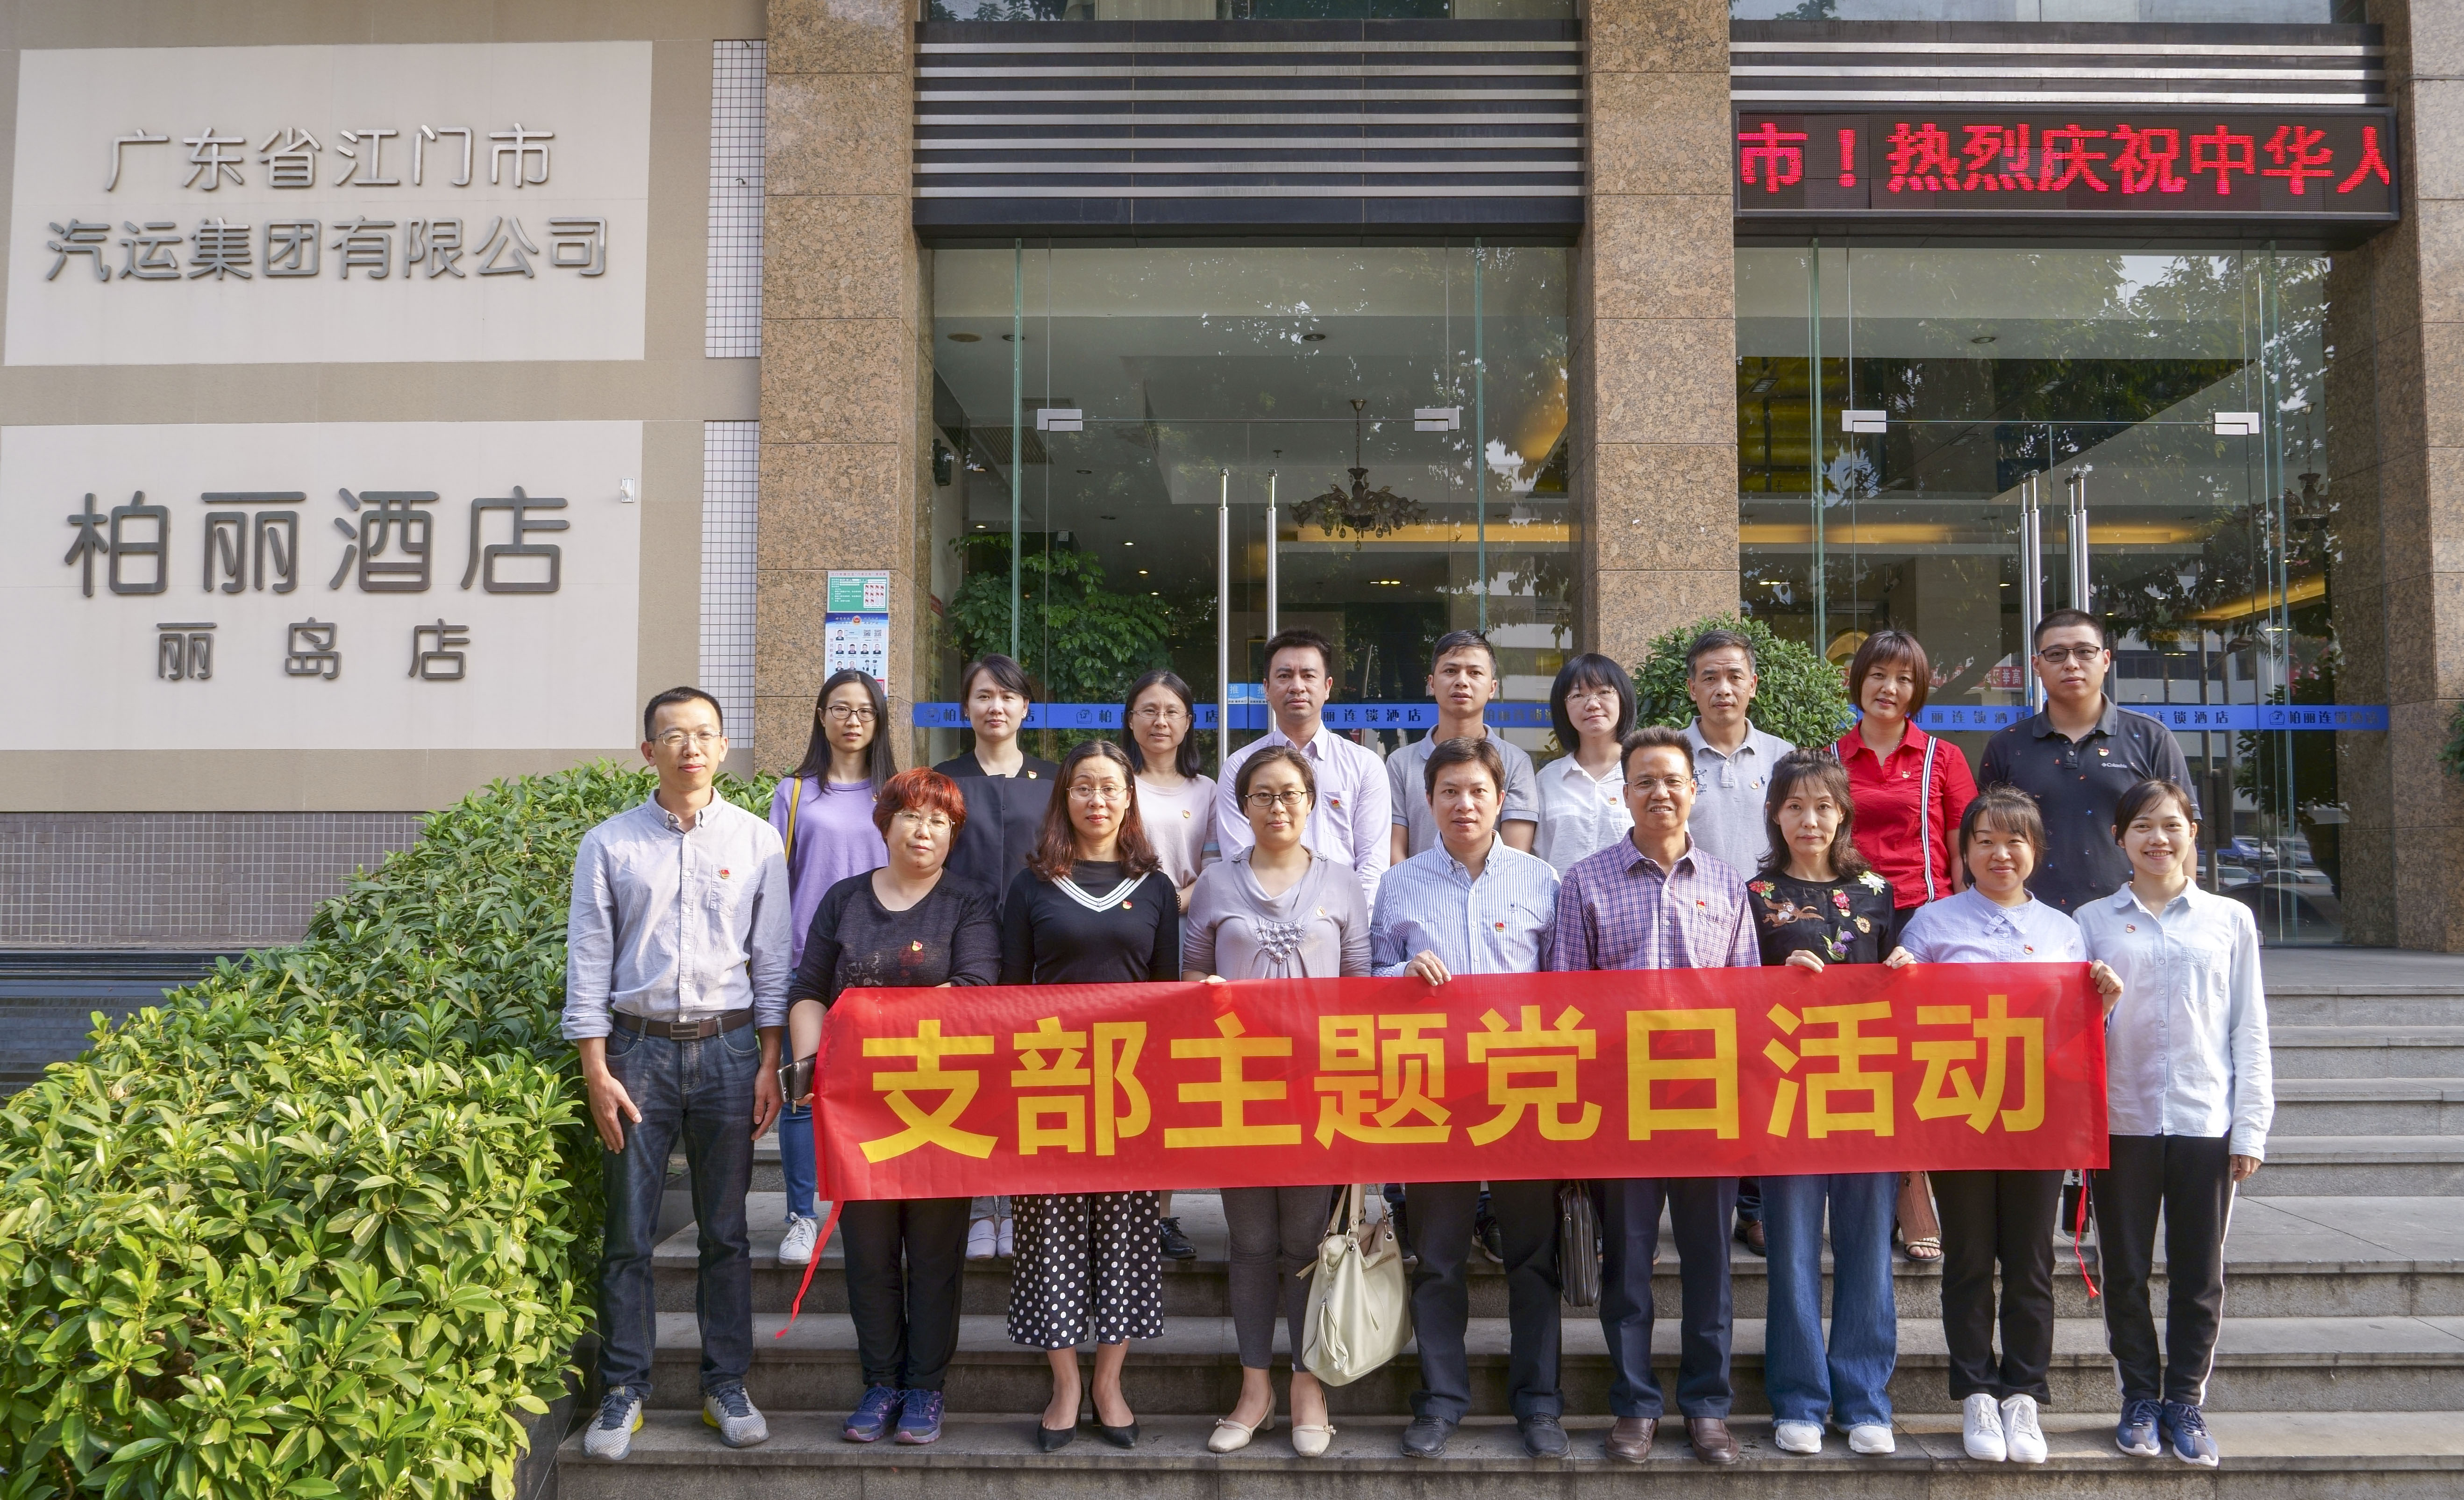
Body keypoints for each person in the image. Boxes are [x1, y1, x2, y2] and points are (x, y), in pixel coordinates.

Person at [566, 687, 788, 1462]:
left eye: (704, 735)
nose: (690, 747)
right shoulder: (608, 844)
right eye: (673, 735)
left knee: (726, 1233)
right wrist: (596, 1069)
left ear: (723, 748)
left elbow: (772, 960)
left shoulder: (758, 840)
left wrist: (769, 1061)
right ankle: (623, 1389)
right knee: (627, 1233)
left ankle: (725, 1384)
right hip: (637, 1053)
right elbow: (588, 960)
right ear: (647, 750)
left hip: (730, 1051)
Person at [1887, 787, 2123, 1467]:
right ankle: (1975, 1393)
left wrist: (2104, 1003)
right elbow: (1903, 1023)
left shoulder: (2063, 929)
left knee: (2030, 1260)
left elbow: (2077, 1033)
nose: (2000, 853)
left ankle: (2022, 1393)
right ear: (1963, 851)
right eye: (1985, 840)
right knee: (1967, 1258)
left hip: (2036, 1118)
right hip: (1958, 1112)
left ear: (2036, 850)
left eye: (2015, 840)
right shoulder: (1931, 923)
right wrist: (1898, 979)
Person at [1549, 724, 1758, 1468]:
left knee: (1709, 1266)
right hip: (1621, 1107)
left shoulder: (1728, 884)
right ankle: (1634, 1404)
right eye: (1644, 781)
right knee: (1628, 1267)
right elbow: (1566, 1004)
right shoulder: (1585, 882)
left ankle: (1707, 1407)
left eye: (1672, 780)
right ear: (1624, 792)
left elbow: (1746, 1002)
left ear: (1693, 790)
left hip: (1706, 1105)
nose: (1659, 792)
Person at [782, 768, 998, 1448]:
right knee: (869, 1253)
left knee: (934, 1255)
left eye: (939, 821)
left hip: (942, 1106)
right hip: (858, 1111)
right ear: (885, 824)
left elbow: (975, 990)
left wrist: (868, 1020)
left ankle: (925, 1387)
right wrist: (809, 1065)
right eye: (910, 816)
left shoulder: (969, 901)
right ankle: (880, 1382)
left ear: (953, 835)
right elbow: (809, 989)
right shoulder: (844, 899)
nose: (923, 831)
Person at [1371, 737, 1563, 1461]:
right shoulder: (1400, 884)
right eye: (1449, 791)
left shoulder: (1541, 879)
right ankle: (1441, 1400)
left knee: (1532, 1258)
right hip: (1433, 1096)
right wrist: (1398, 974)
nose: (1464, 804)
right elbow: (1365, 983)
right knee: (1438, 1257)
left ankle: (1538, 1403)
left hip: (1523, 1092)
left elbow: (1568, 988)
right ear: (1429, 801)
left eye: (1478, 790)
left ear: (1500, 799)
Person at [2078, 779, 2272, 1469]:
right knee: (2124, 1270)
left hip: (2203, 1116)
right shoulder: (2091, 921)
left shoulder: (2229, 919)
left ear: (2193, 831)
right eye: (2142, 826)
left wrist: (2249, 1127)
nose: (2157, 839)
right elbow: (2072, 1028)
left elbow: (2249, 1025)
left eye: (2170, 824)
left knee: (2199, 1272)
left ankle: (2185, 1400)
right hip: (2121, 1118)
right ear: (2119, 838)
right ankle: (2138, 1397)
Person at [1182, 743, 1368, 1459]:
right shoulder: (1215, 883)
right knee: (1252, 1242)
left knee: (1307, 1242)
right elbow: (1191, 973)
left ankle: (1308, 1385)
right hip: (1238, 1090)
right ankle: (1253, 1388)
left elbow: (1359, 993)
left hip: (1319, 1092)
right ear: (1243, 806)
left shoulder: (1341, 882)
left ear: (1312, 802)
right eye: (1263, 794)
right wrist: (1203, 993)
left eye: (1291, 793)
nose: (1278, 806)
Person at [1000, 739, 1182, 1452]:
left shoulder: (1154, 887)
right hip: (1050, 1086)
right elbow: (1008, 996)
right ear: (1064, 796)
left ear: (1129, 798)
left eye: (1110, 787)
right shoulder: (1031, 885)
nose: (1097, 799)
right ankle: (1065, 1384)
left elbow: (1166, 997)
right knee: (1048, 1236)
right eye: (1084, 786)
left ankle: (1108, 1382)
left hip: (1130, 1092)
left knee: (1127, 1237)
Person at [1744, 750, 1900, 1459]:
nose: (1810, 819)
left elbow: (1901, 990)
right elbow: (1732, 992)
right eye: (1795, 806)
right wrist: (1773, 978)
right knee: (1793, 1252)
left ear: (1843, 814)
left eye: (1824, 806)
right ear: (1774, 814)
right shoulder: (1753, 893)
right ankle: (1800, 1398)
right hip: (1785, 1095)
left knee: (1867, 1248)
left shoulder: (1877, 891)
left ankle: (1864, 1398)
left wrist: (1904, 969)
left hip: (1867, 1091)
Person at [1834, 628, 1975, 1265]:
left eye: (1903, 678)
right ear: (1857, 681)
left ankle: (1917, 1193)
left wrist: (1963, 925)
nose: (1888, 689)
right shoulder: (1832, 756)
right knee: (1864, 1059)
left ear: (1918, 689)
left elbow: (1962, 852)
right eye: (1877, 675)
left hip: (1924, 919)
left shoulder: (1943, 758)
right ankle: (1883, 1195)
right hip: (1853, 924)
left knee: (1918, 1060)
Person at [767, 668, 896, 1268]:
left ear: (879, 721)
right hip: (809, 962)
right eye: (840, 708)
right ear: (821, 717)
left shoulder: (894, 793)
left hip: (881, 966)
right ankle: (801, 1216)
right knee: (803, 1090)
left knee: (875, 1093)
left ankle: (870, 1205)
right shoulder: (795, 793)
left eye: (865, 710)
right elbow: (774, 883)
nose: (852, 720)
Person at [1676, 628, 1795, 1257]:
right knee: (1700, 1068)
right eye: (1709, 677)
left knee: (1763, 1069)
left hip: (1775, 930)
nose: (1722, 688)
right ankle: (1698, 1196)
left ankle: (1755, 1205)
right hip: (1697, 933)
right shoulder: (1672, 755)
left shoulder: (1784, 757)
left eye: (1733, 676)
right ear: (1691, 687)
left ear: (1753, 684)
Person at [933, 652, 1055, 1259]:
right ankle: (982, 1203)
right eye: (984, 696)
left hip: (1038, 946)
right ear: (966, 707)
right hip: (964, 945)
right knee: (974, 1071)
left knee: (1027, 1072)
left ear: (1025, 707)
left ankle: (1021, 1197)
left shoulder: (1053, 780)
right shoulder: (943, 779)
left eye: (1007, 696)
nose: (996, 707)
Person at [1980, 608, 2194, 916]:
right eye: (2056, 654)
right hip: (2029, 920)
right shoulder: (2006, 745)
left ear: (2105, 660)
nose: (2071, 664)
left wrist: (2183, 915)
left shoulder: (2150, 738)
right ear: (2037, 666)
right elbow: (1985, 840)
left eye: (2084, 652)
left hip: (2133, 917)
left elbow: (2182, 836)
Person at [1122, 668, 1216, 1264]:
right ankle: (1116, 1204)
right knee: (1123, 1068)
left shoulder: (1208, 790)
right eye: (1148, 710)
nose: (1160, 721)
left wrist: (1178, 898)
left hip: (1186, 931)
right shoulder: (1116, 780)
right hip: (1120, 932)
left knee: (1168, 1078)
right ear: (1131, 720)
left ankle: (1158, 1212)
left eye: (1172, 711)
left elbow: (1220, 861)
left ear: (1188, 722)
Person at [1215, 627, 1392, 905]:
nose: (1297, 686)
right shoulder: (1239, 767)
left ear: (1328, 687)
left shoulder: (1364, 765)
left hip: (1343, 919)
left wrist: (1352, 923)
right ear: (1267, 688)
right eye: (1284, 676)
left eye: (1309, 676)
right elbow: (1239, 859)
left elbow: (1373, 865)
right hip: (1263, 916)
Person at [1387, 629, 1539, 863]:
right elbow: (1394, 848)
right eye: (1451, 671)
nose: (1462, 681)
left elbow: (1515, 856)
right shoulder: (1400, 763)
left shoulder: (1515, 762)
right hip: (1416, 886)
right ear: (1431, 683)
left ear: (1492, 688)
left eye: (1475, 673)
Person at [1535, 652, 1636, 875]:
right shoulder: (1546, 781)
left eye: (1604, 692)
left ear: (1623, 698)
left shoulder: (1644, 776)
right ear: (1563, 708)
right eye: (1578, 695)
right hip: (1561, 898)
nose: (1592, 704)